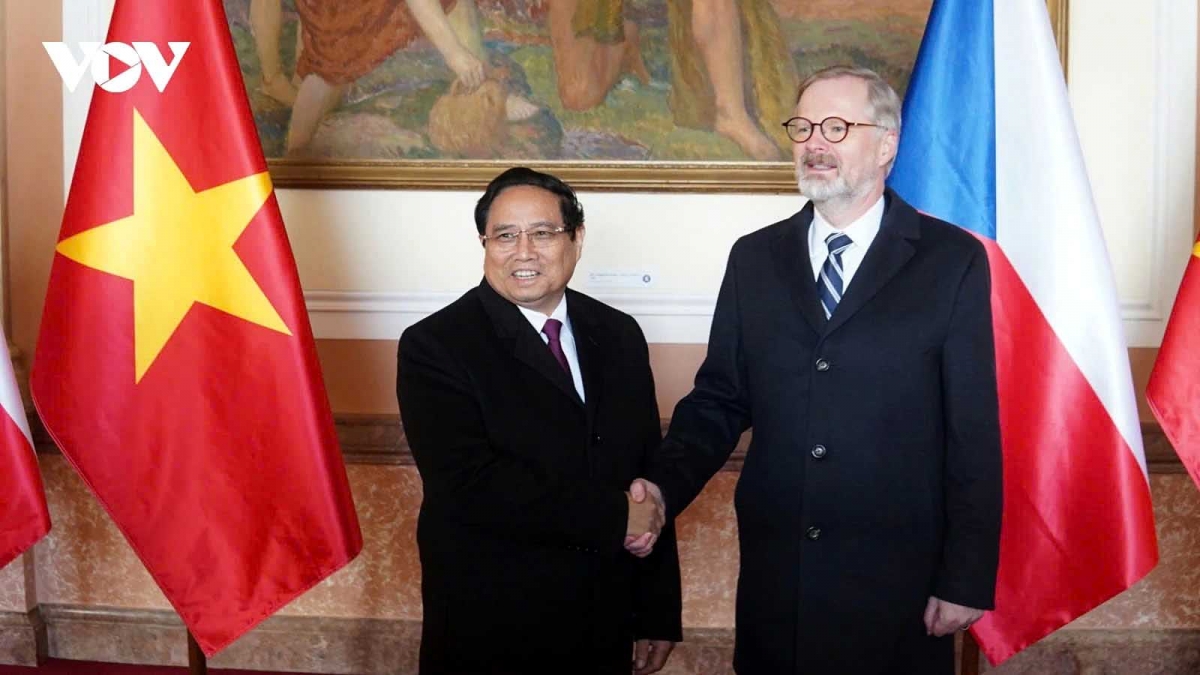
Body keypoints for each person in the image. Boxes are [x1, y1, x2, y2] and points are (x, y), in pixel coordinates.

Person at [630, 65, 1003, 674]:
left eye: (836, 127)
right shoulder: (755, 257)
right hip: (779, 582)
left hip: (897, 586)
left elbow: (973, 430)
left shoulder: (951, 259)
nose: (814, 143)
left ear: (886, 145)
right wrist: (662, 488)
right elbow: (720, 399)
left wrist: (965, 576)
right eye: (802, 127)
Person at [397, 167, 681, 674]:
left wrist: (656, 610)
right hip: (492, 629)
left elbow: (644, 473)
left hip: (603, 623)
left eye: (543, 233)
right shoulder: (435, 345)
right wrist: (616, 516)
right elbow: (469, 485)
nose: (523, 252)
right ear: (485, 245)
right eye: (505, 235)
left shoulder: (618, 334)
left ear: (577, 239)